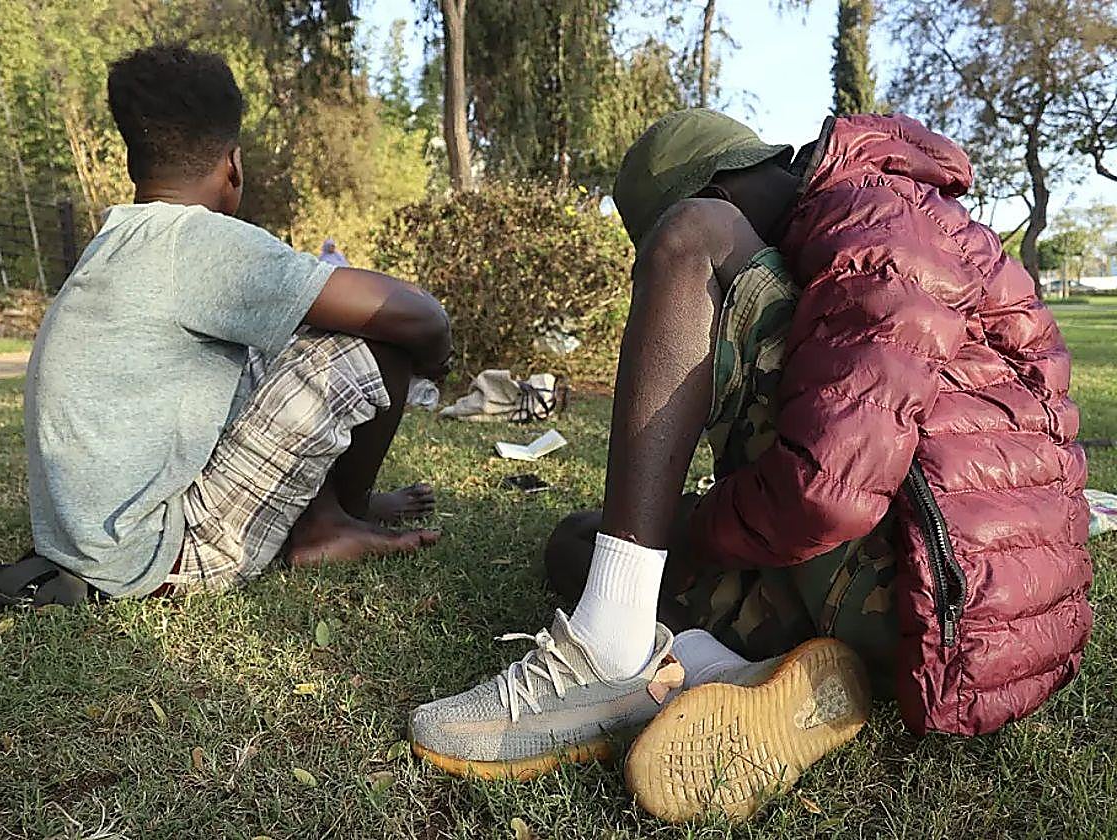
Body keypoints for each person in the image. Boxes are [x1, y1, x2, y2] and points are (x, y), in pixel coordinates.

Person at [410, 110, 1090, 823]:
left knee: (694, 239)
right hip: (983, 628)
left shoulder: (872, 220)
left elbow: (826, 493)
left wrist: (694, 534)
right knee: (577, 542)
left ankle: (608, 652)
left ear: (724, 187)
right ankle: (725, 673)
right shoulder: (906, 220)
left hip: (932, 601)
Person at [24, 44, 447, 599]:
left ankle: (331, 513)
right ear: (233, 165)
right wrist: (435, 361)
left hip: (91, 540)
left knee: (274, 337)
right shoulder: (200, 242)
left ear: (134, 164)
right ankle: (337, 519)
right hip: (159, 553)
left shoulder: (116, 239)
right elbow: (418, 316)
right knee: (376, 345)